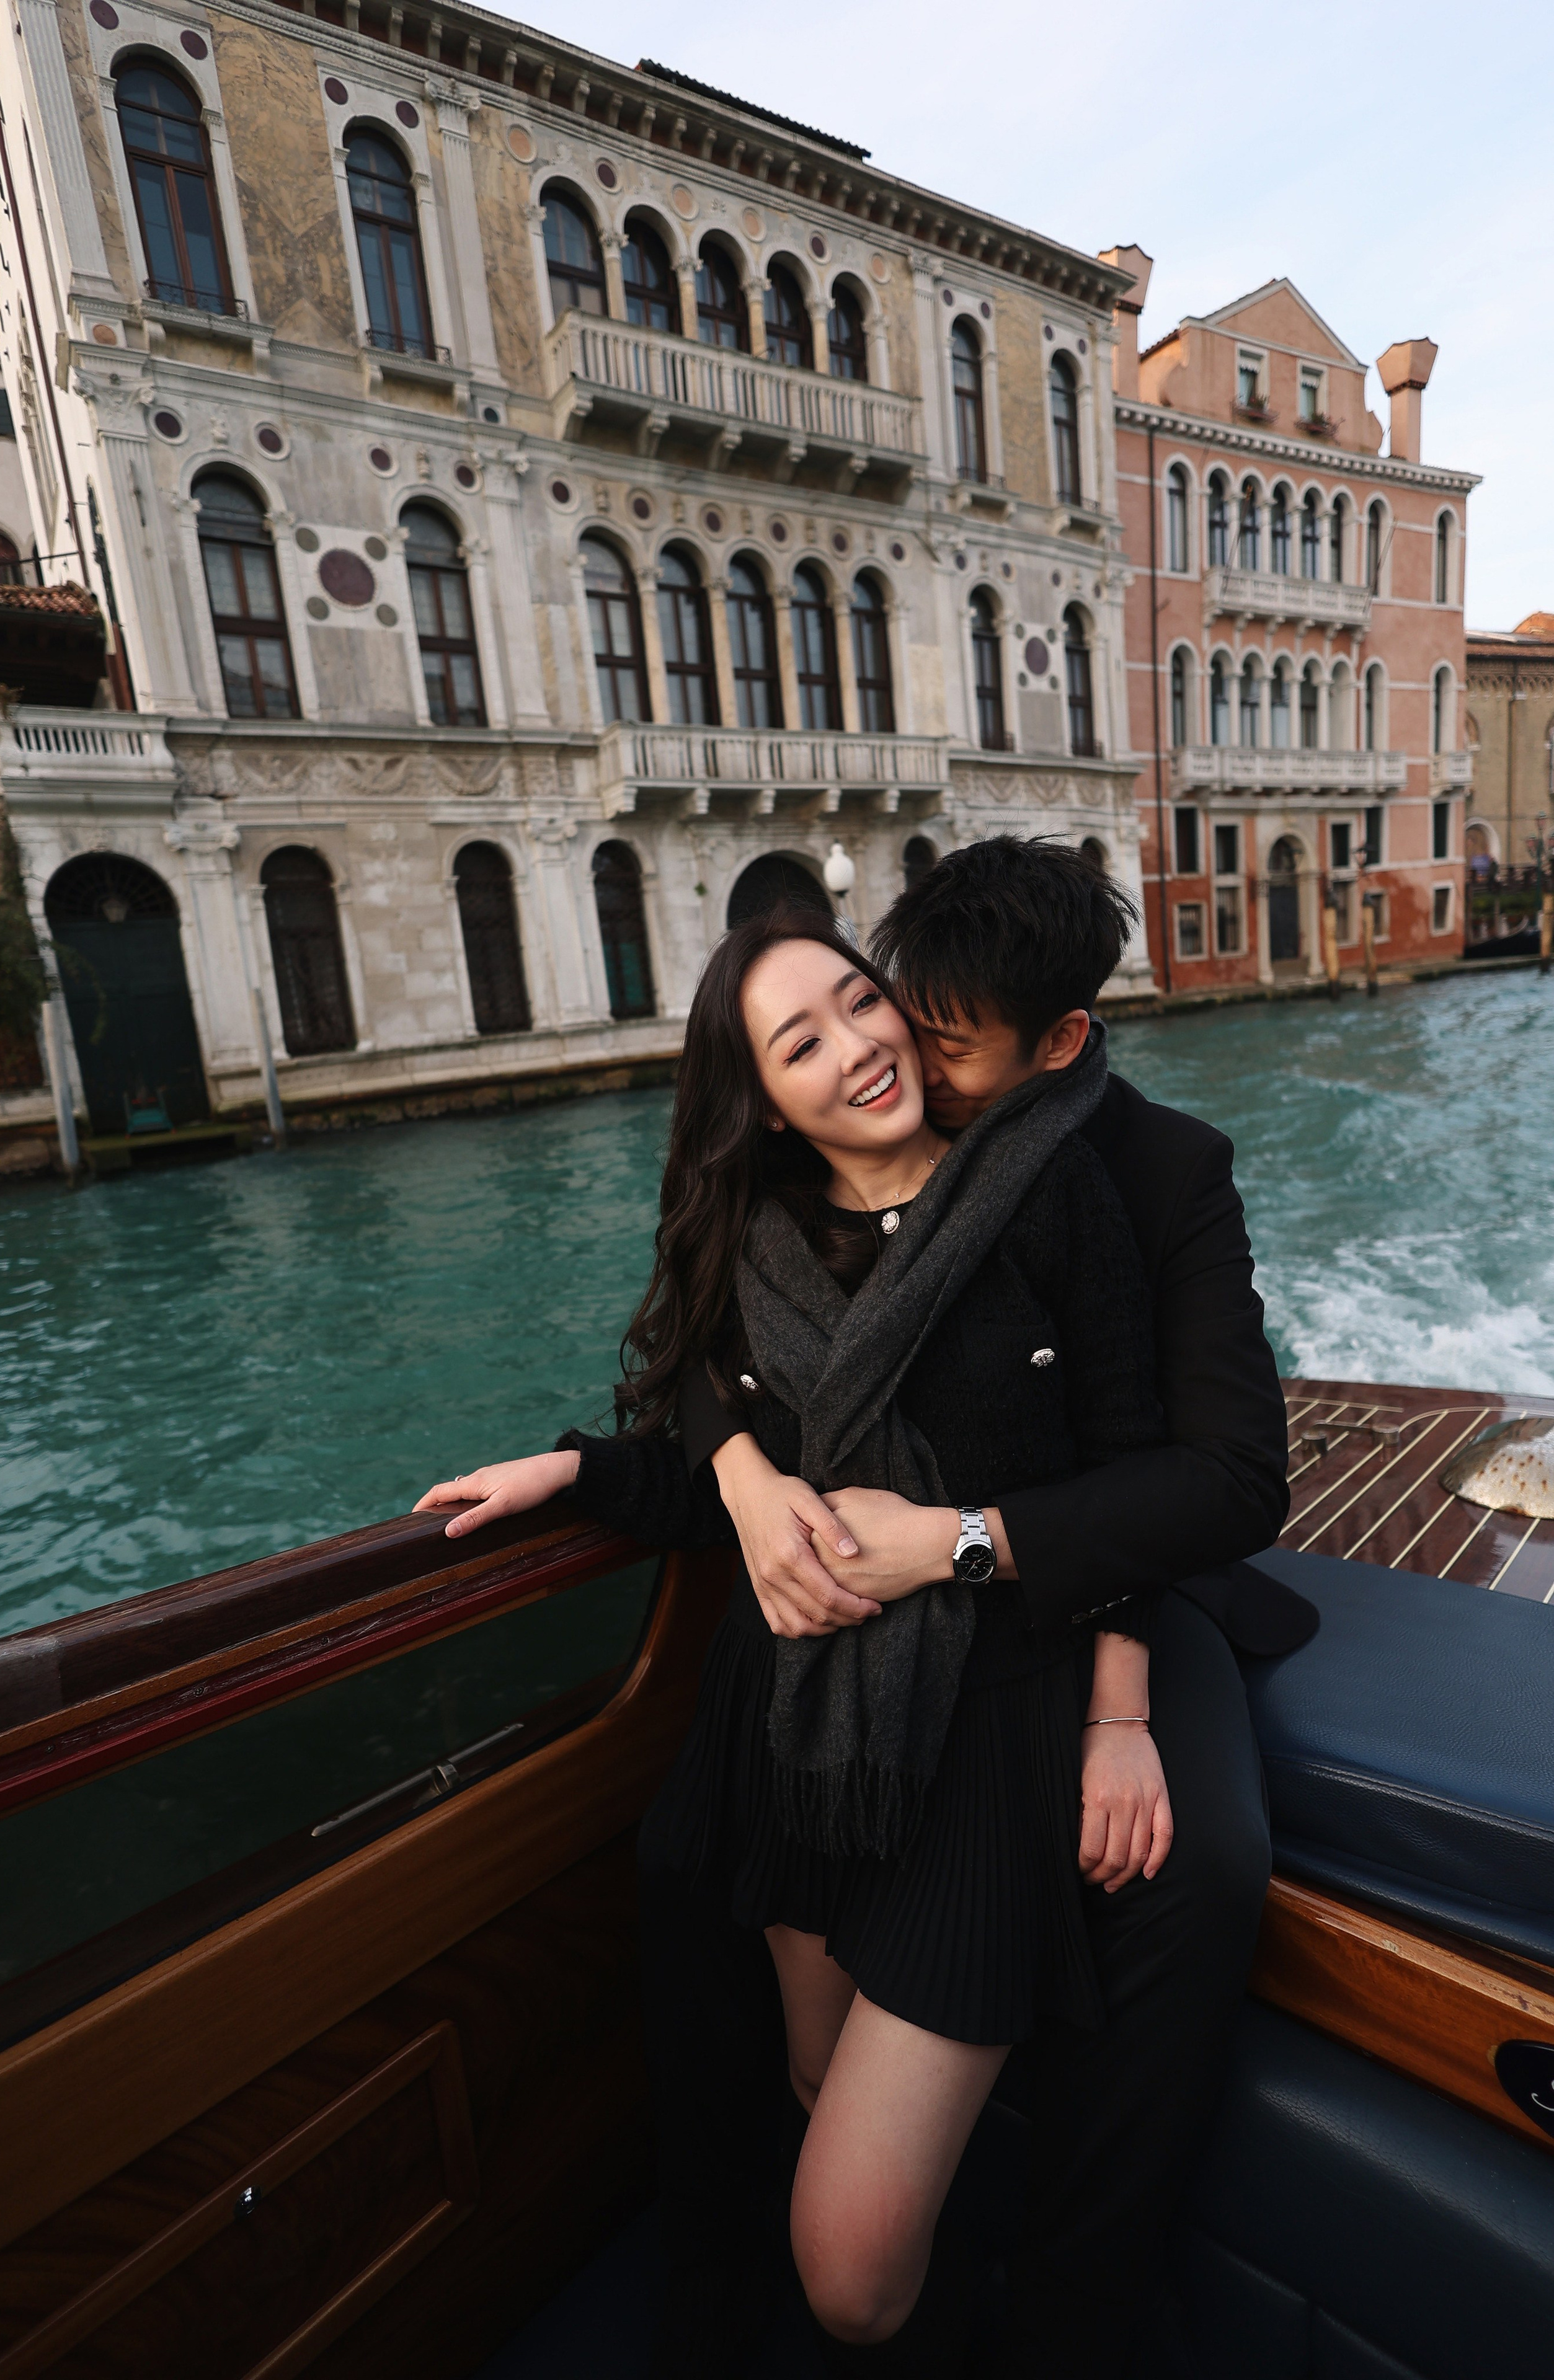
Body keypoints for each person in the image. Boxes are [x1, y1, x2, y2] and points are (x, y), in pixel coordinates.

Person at [417, 887, 1181, 2372]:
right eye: (798, 1042)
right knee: (818, 2080)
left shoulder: (1046, 1187)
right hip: (803, 1738)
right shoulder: (759, 1247)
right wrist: (573, 1468)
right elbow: (715, 1439)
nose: (852, 1047)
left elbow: (1136, 1471)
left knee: (844, 2263)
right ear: (764, 1106)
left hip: (985, 1732)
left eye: (855, 1001)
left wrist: (1119, 1716)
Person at [661, 836, 1299, 2375]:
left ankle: (1084, 2306)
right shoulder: (807, 1188)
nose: (896, 1059)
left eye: (936, 1041)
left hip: (1113, 1573)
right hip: (888, 1651)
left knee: (1195, 1866)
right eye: (881, 1011)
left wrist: (1092, 1680)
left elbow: (1210, 1480)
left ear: (1060, 1041)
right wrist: (741, 1478)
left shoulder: (1144, 1171)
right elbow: (695, 1335)